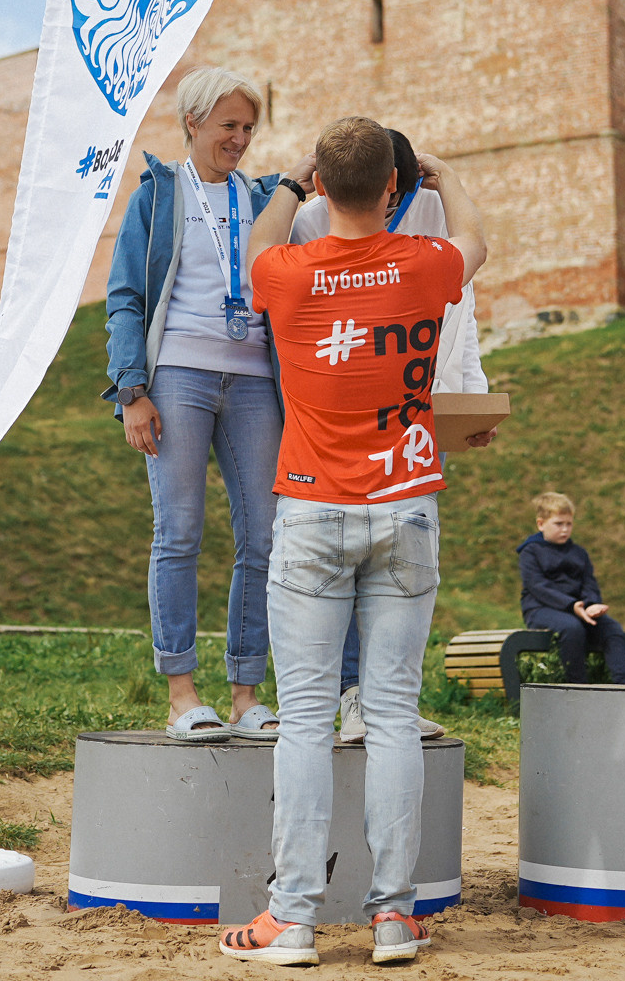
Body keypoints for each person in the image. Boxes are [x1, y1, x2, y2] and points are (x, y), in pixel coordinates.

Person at [217, 118, 487, 966]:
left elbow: (257, 243)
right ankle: (395, 918)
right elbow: (476, 240)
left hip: (310, 509)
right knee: (395, 717)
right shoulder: (424, 264)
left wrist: (292, 187)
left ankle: (291, 917)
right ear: (398, 190)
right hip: (405, 504)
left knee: (303, 722)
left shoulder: (286, 272)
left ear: (325, 188)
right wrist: (442, 178)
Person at [290, 127, 492, 744]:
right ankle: (356, 701)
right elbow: (472, 253)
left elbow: (464, 316)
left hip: (398, 443)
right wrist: (450, 177)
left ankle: (366, 704)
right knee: (350, 587)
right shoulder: (322, 228)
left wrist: (467, 405)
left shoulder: (415, 219)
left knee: (380, 590)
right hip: (338, 444)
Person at [103, 67, 286, 744]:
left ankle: (246, 695)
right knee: (178, 531)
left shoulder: (267, 200)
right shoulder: (158, 193)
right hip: (177, 373)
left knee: (263, 536)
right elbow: (124, 296)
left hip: (254, 381)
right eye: (227, 126)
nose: (239, 139)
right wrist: (132, 391)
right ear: (193, 123)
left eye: (248, 128)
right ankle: (182, 694)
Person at [517, 492, 625, 685]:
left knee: (612, 629)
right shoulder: (530, 552)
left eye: (569, 524)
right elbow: (538, 586)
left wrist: (590, 605)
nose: (564, 529)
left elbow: (589, 583)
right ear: (541, 524)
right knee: (572, 629)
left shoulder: (578, 553)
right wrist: (571, 605)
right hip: (541, 610)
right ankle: (578, 687)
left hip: (580, 610)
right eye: (558, 524)